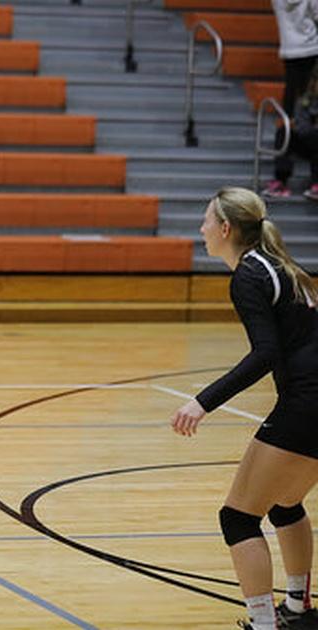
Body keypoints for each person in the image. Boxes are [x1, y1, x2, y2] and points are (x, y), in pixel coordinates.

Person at [171, 187, 318, 630]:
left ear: (226, 228)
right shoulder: (278, 265)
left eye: (206, 220)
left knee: (237, 517)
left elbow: (265, 354)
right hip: (313, 400)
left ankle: (263, 623)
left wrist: (203, 401)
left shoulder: (250, 276)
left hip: (307, 403)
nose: (201, 229)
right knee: (286, 503)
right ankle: (297, 610)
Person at [262, 0, 318, 199]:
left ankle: (282, 180)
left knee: (292, 117)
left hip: (292, 53)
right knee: (296, 119)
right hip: (311, 50)